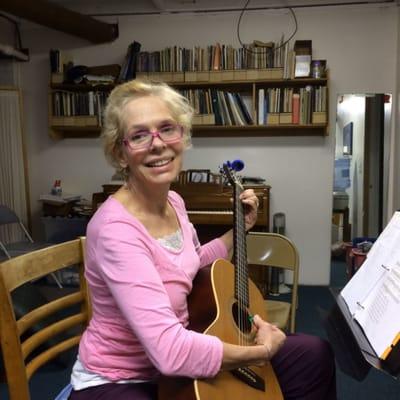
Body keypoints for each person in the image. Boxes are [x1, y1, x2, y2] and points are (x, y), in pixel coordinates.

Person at [69, 79, 336, 400]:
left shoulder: (174, 202)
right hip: (122, 379)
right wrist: (261, 352)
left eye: (167, 128)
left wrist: (239, 229)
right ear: (120, 153)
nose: (157, 144)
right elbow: (168, 352)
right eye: (139, 135)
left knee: (314, 353)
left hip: (179, 353)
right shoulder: (116, 230)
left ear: (182, 136)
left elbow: (190, 262)